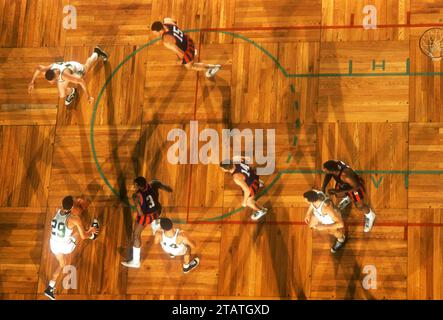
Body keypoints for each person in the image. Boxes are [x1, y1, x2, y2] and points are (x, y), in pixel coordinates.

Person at [44, 196, 99, 300]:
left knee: (62, 264)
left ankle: (50, 288)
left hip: (54, 245)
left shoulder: (56, 212)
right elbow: (83, 236)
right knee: (79, 233)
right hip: (65, 246)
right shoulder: (74, 219)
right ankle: (93, 235)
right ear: (72, 206)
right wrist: (90, 231)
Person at [28, 46, 108, 106]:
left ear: (56, 77)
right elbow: (38, 68)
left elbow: (81, 82)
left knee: (86, 67)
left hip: (75, 68)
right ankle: (71, 92)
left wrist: (88, 96)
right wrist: (32, 82)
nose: (52, 83)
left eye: (53, 81)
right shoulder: (48, 69)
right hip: (66, 68)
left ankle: (96, 53)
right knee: (62, 95)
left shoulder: (65, 76)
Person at [121, 177, 172, 268]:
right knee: (154, 215)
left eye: (134, 184)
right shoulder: (153, 184)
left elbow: (140, 213)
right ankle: (155, 225)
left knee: (136, 235)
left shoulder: (136, 195)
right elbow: (168, 189)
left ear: (138, 186)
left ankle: (136, 262)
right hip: (157, 211)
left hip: (146, 217)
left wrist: (140, 221)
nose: (133, 185)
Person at [151, 18, 221, 77]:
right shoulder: (167, 20)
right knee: (187, 54)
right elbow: (175, 22)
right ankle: (194, 52)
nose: (154, 34)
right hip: (187, 40)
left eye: (155, 33)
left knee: (190, 66)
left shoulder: (166, 40)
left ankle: (213, 68)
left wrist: (182, 61)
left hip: (186, 51)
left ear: (160, 31)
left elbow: (180, 52)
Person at [321, 160, 376, 232]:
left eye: (326, 171)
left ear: (332, 171)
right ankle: (349, 197)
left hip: (355, 187)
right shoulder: (335, 166)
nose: (324, 172)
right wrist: (323, 187)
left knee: (360, 206)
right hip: (345, 184)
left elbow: (357, 187)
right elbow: (329, 174)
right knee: (337, 195)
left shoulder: (345, 176)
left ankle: (370, 215)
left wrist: (341, 191)